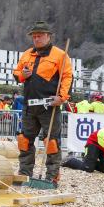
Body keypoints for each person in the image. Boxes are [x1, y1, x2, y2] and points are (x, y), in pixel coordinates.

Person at [13, 21, 73, 186]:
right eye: (34, 36)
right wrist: (22, 74)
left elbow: (67, 77)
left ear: (48, 36)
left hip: (49, 106)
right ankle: (24, 173)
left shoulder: (60, 55)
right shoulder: (26, 54)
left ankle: (52, 176)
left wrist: (61, 97)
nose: (36, 39)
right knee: (24, 140)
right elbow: (16, 73)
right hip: (29, 106)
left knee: (51, 142)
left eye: (39, 36)